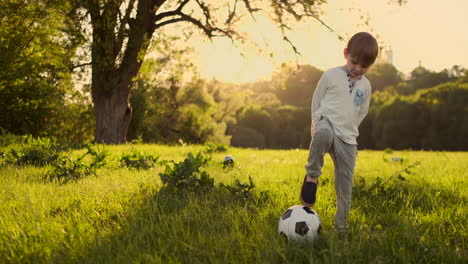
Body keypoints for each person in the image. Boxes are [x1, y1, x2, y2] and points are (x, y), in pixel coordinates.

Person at [299, 32, 379, 233]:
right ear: (346, 53)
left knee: (345, 183)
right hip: (326, 123)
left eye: (364, 66)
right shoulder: (330, 75)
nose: (358, 68)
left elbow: (362, 111)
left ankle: (341, 226)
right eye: (354, 62)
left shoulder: (366, 86)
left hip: (348, 137)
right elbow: (316, 101)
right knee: (324, 134)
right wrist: (316, 123)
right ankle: (312, 176)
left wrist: (350, 127)